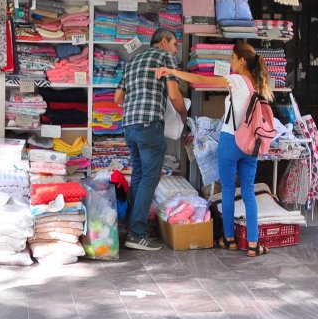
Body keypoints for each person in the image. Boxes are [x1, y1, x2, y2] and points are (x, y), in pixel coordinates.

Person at [155, 42, 273, 257]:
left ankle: (229, 239)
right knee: (248, 192)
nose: (231, 62)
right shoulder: (256, 85)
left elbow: (201, 79)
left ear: (242, 61)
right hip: (249, 145)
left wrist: (172, 71)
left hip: (230, 141)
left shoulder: (237, 80)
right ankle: (254, 244)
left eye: (233, 58)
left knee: (227, 190)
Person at [114, 28, 188, 251]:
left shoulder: (133, 60)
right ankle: (137, 233)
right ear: (164, 41)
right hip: (149, 124)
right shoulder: (166, 58)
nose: (176, 50)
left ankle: (129, 228)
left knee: (138, 175)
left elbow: (118, 98)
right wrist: (183, 114)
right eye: (175, 44)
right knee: (150, 177)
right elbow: (174, 94)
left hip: (129, 125)